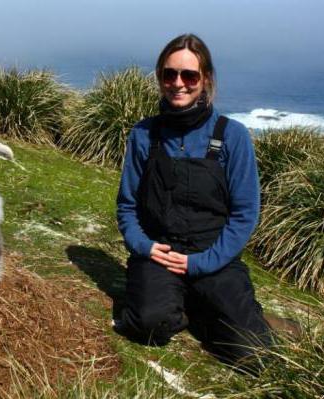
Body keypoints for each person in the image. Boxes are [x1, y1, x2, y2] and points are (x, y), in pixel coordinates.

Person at [115, 33, 272, 372]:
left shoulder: (232, 136)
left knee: (253, 356)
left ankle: (212, 306)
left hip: (213, 255)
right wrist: (143, 246)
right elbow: (127, 207)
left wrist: (201, 263)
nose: (178, 84)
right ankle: (184, 302)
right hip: (160, 253)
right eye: (169, 74)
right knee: (148, 324)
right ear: (160, 77)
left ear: (206, 80)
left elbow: (245, 215)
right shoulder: (144, 135)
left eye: (189, 76)